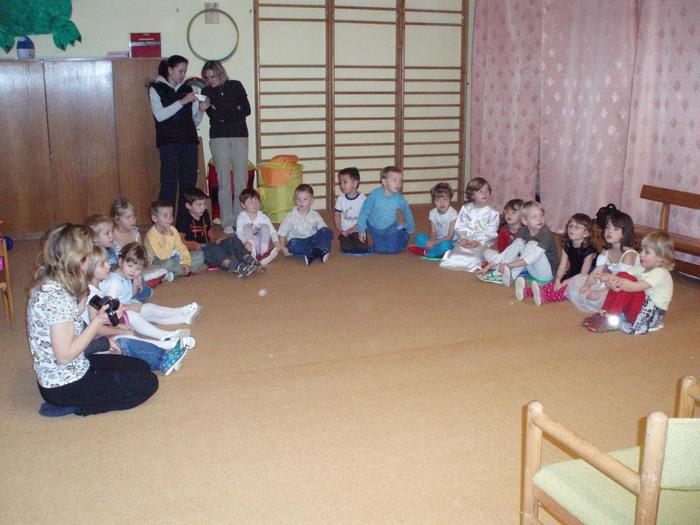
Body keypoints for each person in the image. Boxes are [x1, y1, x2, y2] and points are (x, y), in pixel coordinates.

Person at [27, 224, 158, 417]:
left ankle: (78, 399)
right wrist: (98, 322)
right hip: (64, 385)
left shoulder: (56, 280)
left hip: (77, 365)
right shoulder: (57, 298)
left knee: (141, 367)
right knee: (148, 383)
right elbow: (64, 355)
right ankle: (76, 407)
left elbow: (73, 325)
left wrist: (102, 336)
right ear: (78, 259)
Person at [83, 245, 193, 375]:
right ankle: (168, 344)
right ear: (89, 268)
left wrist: (119, 325)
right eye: (102, 264)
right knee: (126, 339)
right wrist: (119, 329)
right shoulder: (92, 295)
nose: (108, 266)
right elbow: (96, 328)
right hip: (96, 339)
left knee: (133, 319)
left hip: (104, 329)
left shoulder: (98, 287)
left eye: (107, 261)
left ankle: (166, 336)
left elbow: (105, 318)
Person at [149, 55, 210, 231]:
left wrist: (201, 110)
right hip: (169, 143)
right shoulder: (156, 88)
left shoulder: (187, 89)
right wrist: (182, 101)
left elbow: (193, 122)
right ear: (170, 69)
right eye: (180, 71)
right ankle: (164, 226)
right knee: (168, 184)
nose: (183, 75)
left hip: (189, 143)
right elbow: (160, 115)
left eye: (185, 71)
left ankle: (185, 227)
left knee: (188, 185)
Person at [582, 231, 674, 335]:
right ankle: (604, 312)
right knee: (623, 275)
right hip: (638, 310)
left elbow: (633, 287)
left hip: (650, 315)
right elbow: (621, 277)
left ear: (661, 258)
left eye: (647, 252)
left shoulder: (660, 272)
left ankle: (612, 316)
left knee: (626, 281)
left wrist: (611, 277)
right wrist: (609, 283)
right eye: (642, 250)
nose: (641, 254)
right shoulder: (640, 267)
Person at [201, 60, 251, 234]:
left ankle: (241, 219)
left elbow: (246, 110)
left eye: (213, 76)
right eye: (207, 78)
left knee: (241, 179)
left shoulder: (236, 85)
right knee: (223, 180)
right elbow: (214, 116)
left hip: (239, 136)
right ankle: (227, 221)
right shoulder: (206, 91)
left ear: (221, 73)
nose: (210, 80)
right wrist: (231, 109)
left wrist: (220, 108)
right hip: (219, 138)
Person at [100, 242, 202, 327]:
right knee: (150, 308)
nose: (133, 271)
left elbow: (127, 296)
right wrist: (130, 307)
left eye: (138, 268)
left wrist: (135, 286)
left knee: (153, 316)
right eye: (130, 265)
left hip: (125, 309)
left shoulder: (126, 276)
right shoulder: (113, 281)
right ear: (120, 261)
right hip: (116, 317)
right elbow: (109, 307)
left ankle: (185, 318)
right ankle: (182, 310)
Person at [515, 213, 597, 305]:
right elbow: (562, 267)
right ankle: (527, 291)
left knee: (562, 291)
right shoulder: (567, 245)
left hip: (585, 280)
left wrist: (567, 281)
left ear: (586, 233)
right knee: (553, 285)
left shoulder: (589, 251)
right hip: (571, 274)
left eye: (577, 227)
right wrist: (558, 279)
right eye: (570, 226)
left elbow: (583, 275)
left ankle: (543, 296)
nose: (572, 229)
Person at [180, 188, 262, 277]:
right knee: (212, 249)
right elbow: (180, 242)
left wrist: (216, 240)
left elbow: (209, 232)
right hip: (199, 252)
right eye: (199, 205)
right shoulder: (183, 220)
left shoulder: (204, 214)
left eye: (204, 204)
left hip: (210, 245)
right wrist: (195, 245)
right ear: (188, 206)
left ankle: (248, 259)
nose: (203, 207)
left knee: (234, 240)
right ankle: (236, 267)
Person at [566, 211, 638, 312]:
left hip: (626, 287)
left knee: (606, 295)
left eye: (615, 229)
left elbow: (622, 283)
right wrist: (587, 285)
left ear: (625, 232)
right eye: (607, 227)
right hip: (611, 282)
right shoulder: (606, 251)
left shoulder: (628, 254)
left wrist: (598, 293)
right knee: (578, 281)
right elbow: (596, 273)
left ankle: (600, 299)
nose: (609, 231)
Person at [480, 200, 560, 287]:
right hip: (531, 270)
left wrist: (510, 265)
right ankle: (501, 273)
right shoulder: (522, 231)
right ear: (525, 221)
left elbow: (534, 256)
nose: (539, 219)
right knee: (518, 242)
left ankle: (511, 275)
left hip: (546, 274)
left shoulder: (546, 233)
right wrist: (488, 266)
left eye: (541, 215)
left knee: (532, 244)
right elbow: (509, 250)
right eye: (534, 217)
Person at [439, 177, 500, 271]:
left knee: (474, 259)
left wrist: (478, 242)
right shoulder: (466, 208)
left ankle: (483, 261)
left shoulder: (493, 213)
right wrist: (464, 238)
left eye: (487, 191)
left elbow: (491, 233)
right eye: (480, 191)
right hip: (465, 240)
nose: (485, 194)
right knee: (455, 256)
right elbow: (460, 226)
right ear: (472, 195)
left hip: (481, 243)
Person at [111, 196, 170, 289]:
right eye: (128, 217)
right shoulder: (111, 236)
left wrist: (138, 269)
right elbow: (111, 262)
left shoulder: (135, 233)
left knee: (159, 269)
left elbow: (140, 255)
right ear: (117, 219)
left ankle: (143, 282)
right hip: (118, 272)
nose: (132, 220)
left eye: (134, 216)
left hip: (136, 269)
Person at [357, 166, 415, 254]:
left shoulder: (399, 199)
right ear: (384, 182)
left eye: (400, 180)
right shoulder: (374, 195)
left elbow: (407, 212)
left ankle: (403, 233)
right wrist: (361, 230)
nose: (398, 183)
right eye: (394, 180)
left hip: (391, 227)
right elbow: (364, 212)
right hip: (374, 227)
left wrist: (411, 228)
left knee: (393, 251)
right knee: (380, 250)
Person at [278, 184, 333, 265]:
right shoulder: (289, 216)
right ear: (295, 200)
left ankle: (312, 253)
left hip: (313, 240)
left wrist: (323, 235)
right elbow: (282, 234)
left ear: (311, 201)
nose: (301, 202)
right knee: (292, 244)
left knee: (327, 231)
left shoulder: (315, 215)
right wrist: (283, 247)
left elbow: (323, 229)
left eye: (305, 199)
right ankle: (318, 252)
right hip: (299, 242)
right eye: (298, 199)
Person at [144, 200, 198, 278]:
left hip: (174, 258)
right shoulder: (151, 236)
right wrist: (168, 237)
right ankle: (180, 271)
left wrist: (186, 263)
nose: (169, 219)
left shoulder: (173, 229)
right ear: (154, 218)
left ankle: (171, 274)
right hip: (158, 261)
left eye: (171, 215)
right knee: (168, 263)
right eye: (165, 216)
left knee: (200, 255)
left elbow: (181, 248)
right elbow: (163, 256)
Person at [409, 182, 457, 259]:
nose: (442, 203)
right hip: (437, 240)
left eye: (445, 199)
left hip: (449, 241)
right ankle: (435, 251)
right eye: (438, 200)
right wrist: (431, 241)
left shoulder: (453, 214)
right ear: (433, 201)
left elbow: (450, 237)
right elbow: (433, 232)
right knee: (418, 237)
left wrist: (434, 243)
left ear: (450, 200)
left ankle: (430, 253)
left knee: (446, 246)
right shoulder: (432, 213)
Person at [235, 188, 280, 264]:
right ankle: (252, 253)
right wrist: (245, 242)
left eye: (257, 201)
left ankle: (264, 253)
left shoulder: (263, 216)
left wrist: (276, 241)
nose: (254, 204)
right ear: (243, 205)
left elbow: (272, 231)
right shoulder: (241, 217)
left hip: (260, 245)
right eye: (250, 202)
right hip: (248, 246)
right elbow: (239, 232)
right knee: (247, 227)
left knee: (265, 227)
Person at [334, 167, 370, 254]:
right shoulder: (340, 199)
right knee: (346, 248)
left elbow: (365, 218)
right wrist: (339, 227)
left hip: (359, 230)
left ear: (355, 183)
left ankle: (358, 240)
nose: (342, 185)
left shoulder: (363, 199)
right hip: (345, 232)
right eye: (340, 183)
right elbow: (337, 215)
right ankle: (344, 239)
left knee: (362, 248)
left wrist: (353, 229)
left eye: (345, 182)